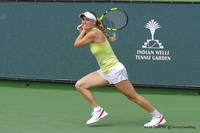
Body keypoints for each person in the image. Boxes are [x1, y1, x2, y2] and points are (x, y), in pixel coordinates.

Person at [74, 11, 166, 127]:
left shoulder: (95, 33)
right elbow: (82, 39)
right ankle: (98, 110)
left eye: (87, 20)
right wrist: (84, 30)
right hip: (105, 71)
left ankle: (158, 116)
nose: (84, 22)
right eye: (83, 20)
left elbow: (77, 44)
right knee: (80, 85)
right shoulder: (91, 32)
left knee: (133, 97)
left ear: (94, 22)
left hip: (115, 70)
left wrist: (82, 30)